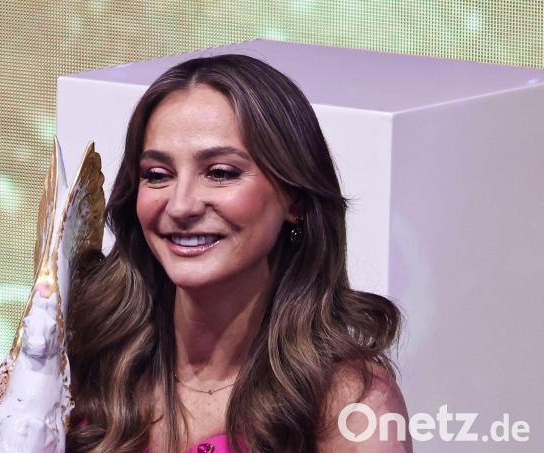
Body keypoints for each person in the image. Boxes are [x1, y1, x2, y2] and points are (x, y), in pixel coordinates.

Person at [65, 54, 410, 453]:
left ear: (294, 198)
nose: (181, 206)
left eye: (220, 173)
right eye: (157, 175)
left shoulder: (349, 403)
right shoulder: (91, 359)